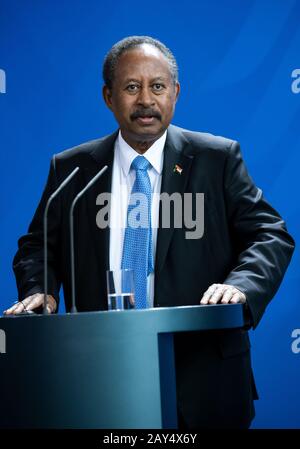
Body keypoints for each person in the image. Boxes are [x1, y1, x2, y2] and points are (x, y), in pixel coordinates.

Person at [4, 36, 295, 429]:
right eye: (130, 87)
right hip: (98, 378)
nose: (145, 100)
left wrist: (242, 286)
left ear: (175, 92)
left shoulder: (216, 158)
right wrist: (39, 289)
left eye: (157, 86)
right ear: (109, 96)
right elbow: (37, 246)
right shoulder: (72, 169)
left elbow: (270, 233)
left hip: (204, 379)